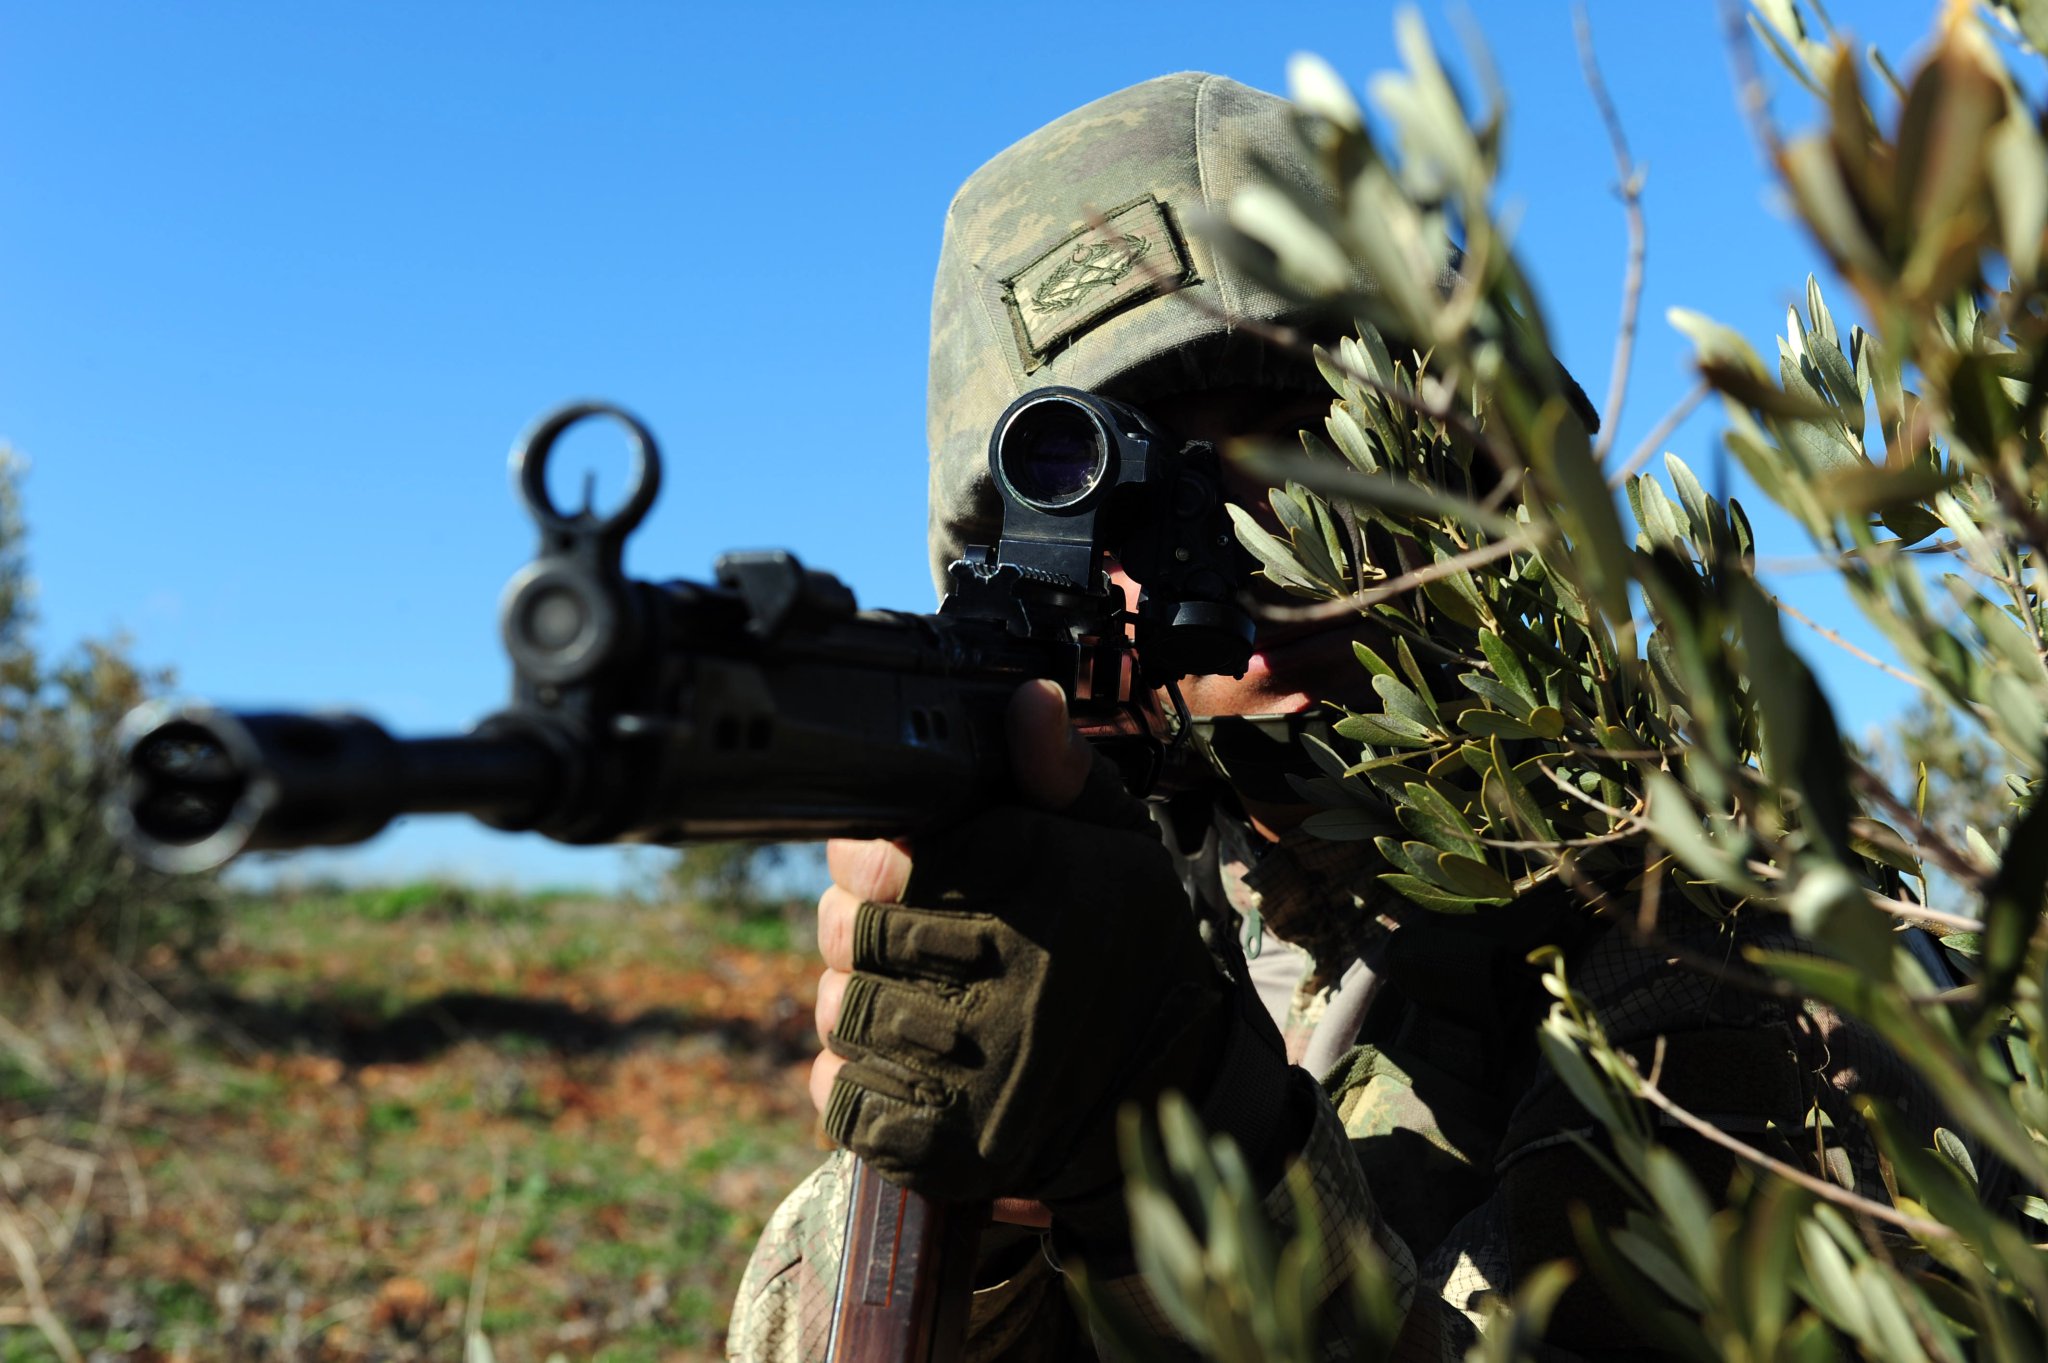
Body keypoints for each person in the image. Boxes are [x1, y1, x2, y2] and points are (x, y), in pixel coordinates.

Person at [728, 72, 1934, 1363]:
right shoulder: (1137, 902)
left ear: (1485, 480)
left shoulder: (1721, 931)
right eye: (1134, 498)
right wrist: (997, 1212)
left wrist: (1192, 1144)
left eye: (1313, 454)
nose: (1256, 549)